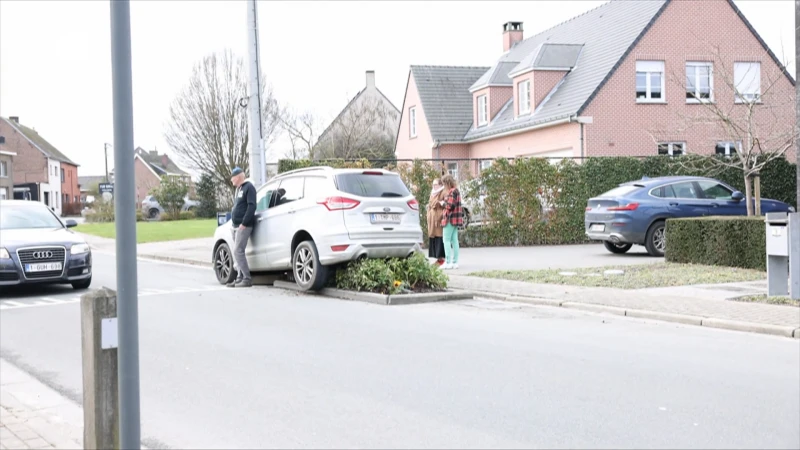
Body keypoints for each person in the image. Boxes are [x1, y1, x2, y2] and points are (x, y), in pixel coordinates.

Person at [228, 167, 256, 288]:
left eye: (233, 177)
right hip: (236, 226)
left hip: (244, 226)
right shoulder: (239, 189)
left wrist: (244, 223)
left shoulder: (249, 187)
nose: (231, 179)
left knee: (238, 251)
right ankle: (239, 277)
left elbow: (251, 206)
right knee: (237, 252)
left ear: (239, 177)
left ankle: (246, 278)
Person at [440, 174, 463, 269]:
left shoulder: (452, 192)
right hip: (456, 219)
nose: (443, 186)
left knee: (446, 240)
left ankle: (448, 261)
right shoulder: (457, 191)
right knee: (454, 240)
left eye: (444, 184)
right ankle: (455, 262)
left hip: (450, 219)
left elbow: (450, 206)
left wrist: (443, 203)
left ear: (447, 183)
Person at [426, 178, 446, 266]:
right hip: (432, 217)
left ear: (440, 185)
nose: (434, 186)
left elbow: (444, 204)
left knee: (439, 237)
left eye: (436, 185)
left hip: (438, 217)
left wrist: (438, 204)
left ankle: (442, 257)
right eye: (433, 185)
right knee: (433, 237)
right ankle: (437, 258)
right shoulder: (432, 193)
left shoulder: (443, 192)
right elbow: (430, 204)